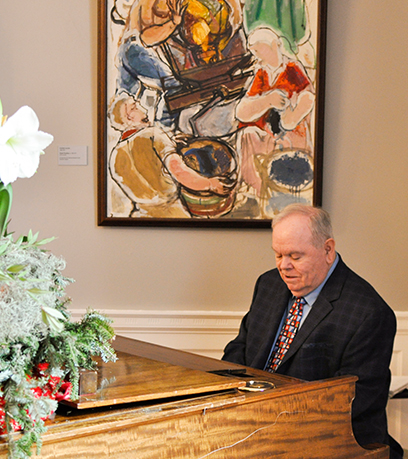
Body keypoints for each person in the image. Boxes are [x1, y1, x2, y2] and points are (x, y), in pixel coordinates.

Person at [222, 204, 403, 459]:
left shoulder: (369, 313)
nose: (283, 266)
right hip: (254, 428)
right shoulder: (269, 284)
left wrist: (268, 418)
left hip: (327, 442)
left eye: (295, 257)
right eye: (278, 255)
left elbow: (348, 403)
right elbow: (239, 348)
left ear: (328, 250)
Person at [235, 27, 314, 197]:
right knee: (248, 134)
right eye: (254, 51)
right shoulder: (262, 73)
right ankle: (255, 186)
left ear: (274, 45)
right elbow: (244, 107)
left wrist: (291, 117)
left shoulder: (292, 68)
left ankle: (284, 188)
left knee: (288, 142)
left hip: (290, 128)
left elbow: (308, 96)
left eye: (259, 49)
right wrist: (266, 101)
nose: (257, 55)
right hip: (267, 129)